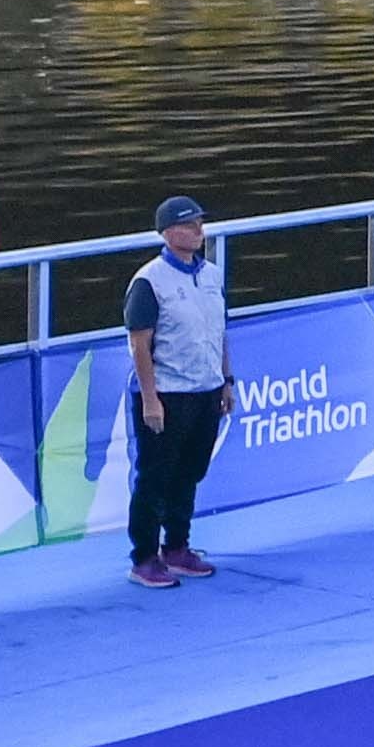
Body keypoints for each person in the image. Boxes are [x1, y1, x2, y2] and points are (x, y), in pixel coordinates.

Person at [121, 195, 228, 586]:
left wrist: (225, 379)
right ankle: (144, 556)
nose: (199, 231)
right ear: (168, 233)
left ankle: (178, 546)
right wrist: (150, 398)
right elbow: (139, 344)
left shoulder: (212, 275)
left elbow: (219, 330)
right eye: (189, 225)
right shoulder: (150, 281)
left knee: (190, 470)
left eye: (200, 223)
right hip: (167, 391)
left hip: (205, 388)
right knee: (156, 476)